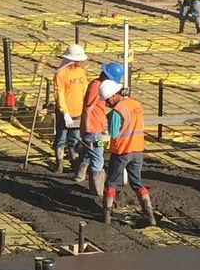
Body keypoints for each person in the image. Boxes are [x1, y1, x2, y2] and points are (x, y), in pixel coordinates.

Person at [99, 78, 155, 226]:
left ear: (112, 96)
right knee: (137, 183)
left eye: (106, 101)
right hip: (138, 150)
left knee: (111, 183)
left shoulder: (117, 111)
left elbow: (113, 133)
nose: (105, 104)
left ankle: (106, 215)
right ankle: (150, 215)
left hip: (122, 151)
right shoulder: (136, 104)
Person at [76, 62, 121, 204]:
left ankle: (79, 176)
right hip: (93, 130)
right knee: (97, 156)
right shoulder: (97, 87)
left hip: (95, 127)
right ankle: (97, 190)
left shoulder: (99, 86)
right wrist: (88, 127)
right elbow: (89, 107)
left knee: (87, 152)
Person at [50, 43, 89, 173]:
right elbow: (59, 94)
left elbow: (84, 91)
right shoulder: (61, 74)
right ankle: (59, 164)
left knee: (75, 139)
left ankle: (74, 163)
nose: (82, 62)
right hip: (65, 113)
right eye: (79, 60)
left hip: (78, 111)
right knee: (61, 138)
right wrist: (65, 112)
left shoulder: (81, 73)